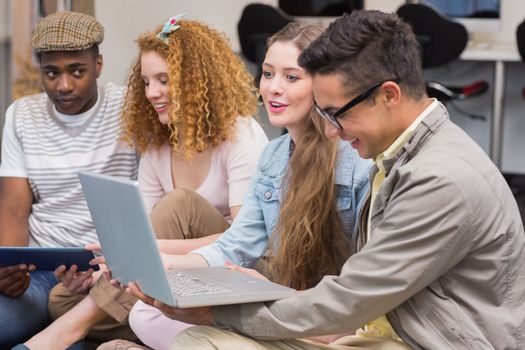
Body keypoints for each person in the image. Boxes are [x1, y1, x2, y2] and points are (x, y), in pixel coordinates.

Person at [129, 10, 525, 350]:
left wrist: (220, 311)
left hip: (422, 341)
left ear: (388, 95)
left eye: (337, 113)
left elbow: (350, 299)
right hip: (380, 328)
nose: (333, 131)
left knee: (205, 336)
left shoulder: (438, 177)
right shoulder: (405, 155)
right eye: (268, 74)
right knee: (196, 338)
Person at [101, 21, 373, 350]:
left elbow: (363, 292)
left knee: (186, 334)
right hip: (287, 311)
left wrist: (272, 302)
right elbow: (234, 245)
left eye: (291, 77)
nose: (273, 87)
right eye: (268, 73)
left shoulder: (358, 161)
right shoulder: (274, 157)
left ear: (323, 83)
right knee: (140, 320)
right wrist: (162, 263)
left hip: (334, 325)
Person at [16, 14, 269, 350]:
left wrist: (147, 253)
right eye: (147, 82)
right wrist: (113, 264)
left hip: (232, 270)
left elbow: (245, 240)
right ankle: (157, 331)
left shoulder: (242, 136)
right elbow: (149, 229)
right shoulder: (157, 145)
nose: (152, 92)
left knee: (180, 203)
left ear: (196, 81)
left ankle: (66, 333)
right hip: (177, 277)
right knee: (62, 300)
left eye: (164, 80)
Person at [0, 11, 138, 349]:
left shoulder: (130, 107)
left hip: (110, 273)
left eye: (78, 71)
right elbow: (15, 208)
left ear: (99, 65)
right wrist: (10, 269)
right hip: (40, 273)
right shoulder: (22, 115)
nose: (64, 85)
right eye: (52, 73)